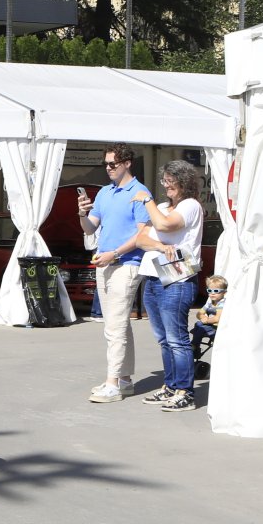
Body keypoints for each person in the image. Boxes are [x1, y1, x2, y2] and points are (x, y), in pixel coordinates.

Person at [77, 144, 152, 403]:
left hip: (127, 263)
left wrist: (115, 254)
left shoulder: (140, 192)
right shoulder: (104, 192)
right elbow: (89, 229)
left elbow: (142, 235)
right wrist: (82, 213)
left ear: (127, 163)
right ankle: (124, 379)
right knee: (117, 324)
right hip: (105, 263)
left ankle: (112, 384)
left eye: (113, 164)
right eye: (106, 164)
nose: (108, 168)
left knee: (115, 326)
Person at [132, 160, 206, 412]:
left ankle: (185, 392)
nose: (166, 186)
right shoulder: (162, 207)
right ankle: (171, 386)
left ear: (183, 181)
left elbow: (165, 225)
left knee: (177, 339)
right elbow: (141, 239)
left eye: (170, 181)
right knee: (164, 339)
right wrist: (162, 247)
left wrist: (147, 200)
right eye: (164, 181)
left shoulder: (190, 205)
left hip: (177, 277)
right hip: (154, 276)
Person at [192, 274, 226, 361]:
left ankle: (194, 346)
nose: (212, 293)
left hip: (217, 327)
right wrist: (202, 317)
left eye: (216, 291)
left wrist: (207, 320)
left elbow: (217, 318)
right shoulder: (210, 302)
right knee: (198, 324)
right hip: (210, 324)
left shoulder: (222, 304)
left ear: (224, 292)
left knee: (201, 328)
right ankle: (196, 345)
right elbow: (199, 313)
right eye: (210, 291)